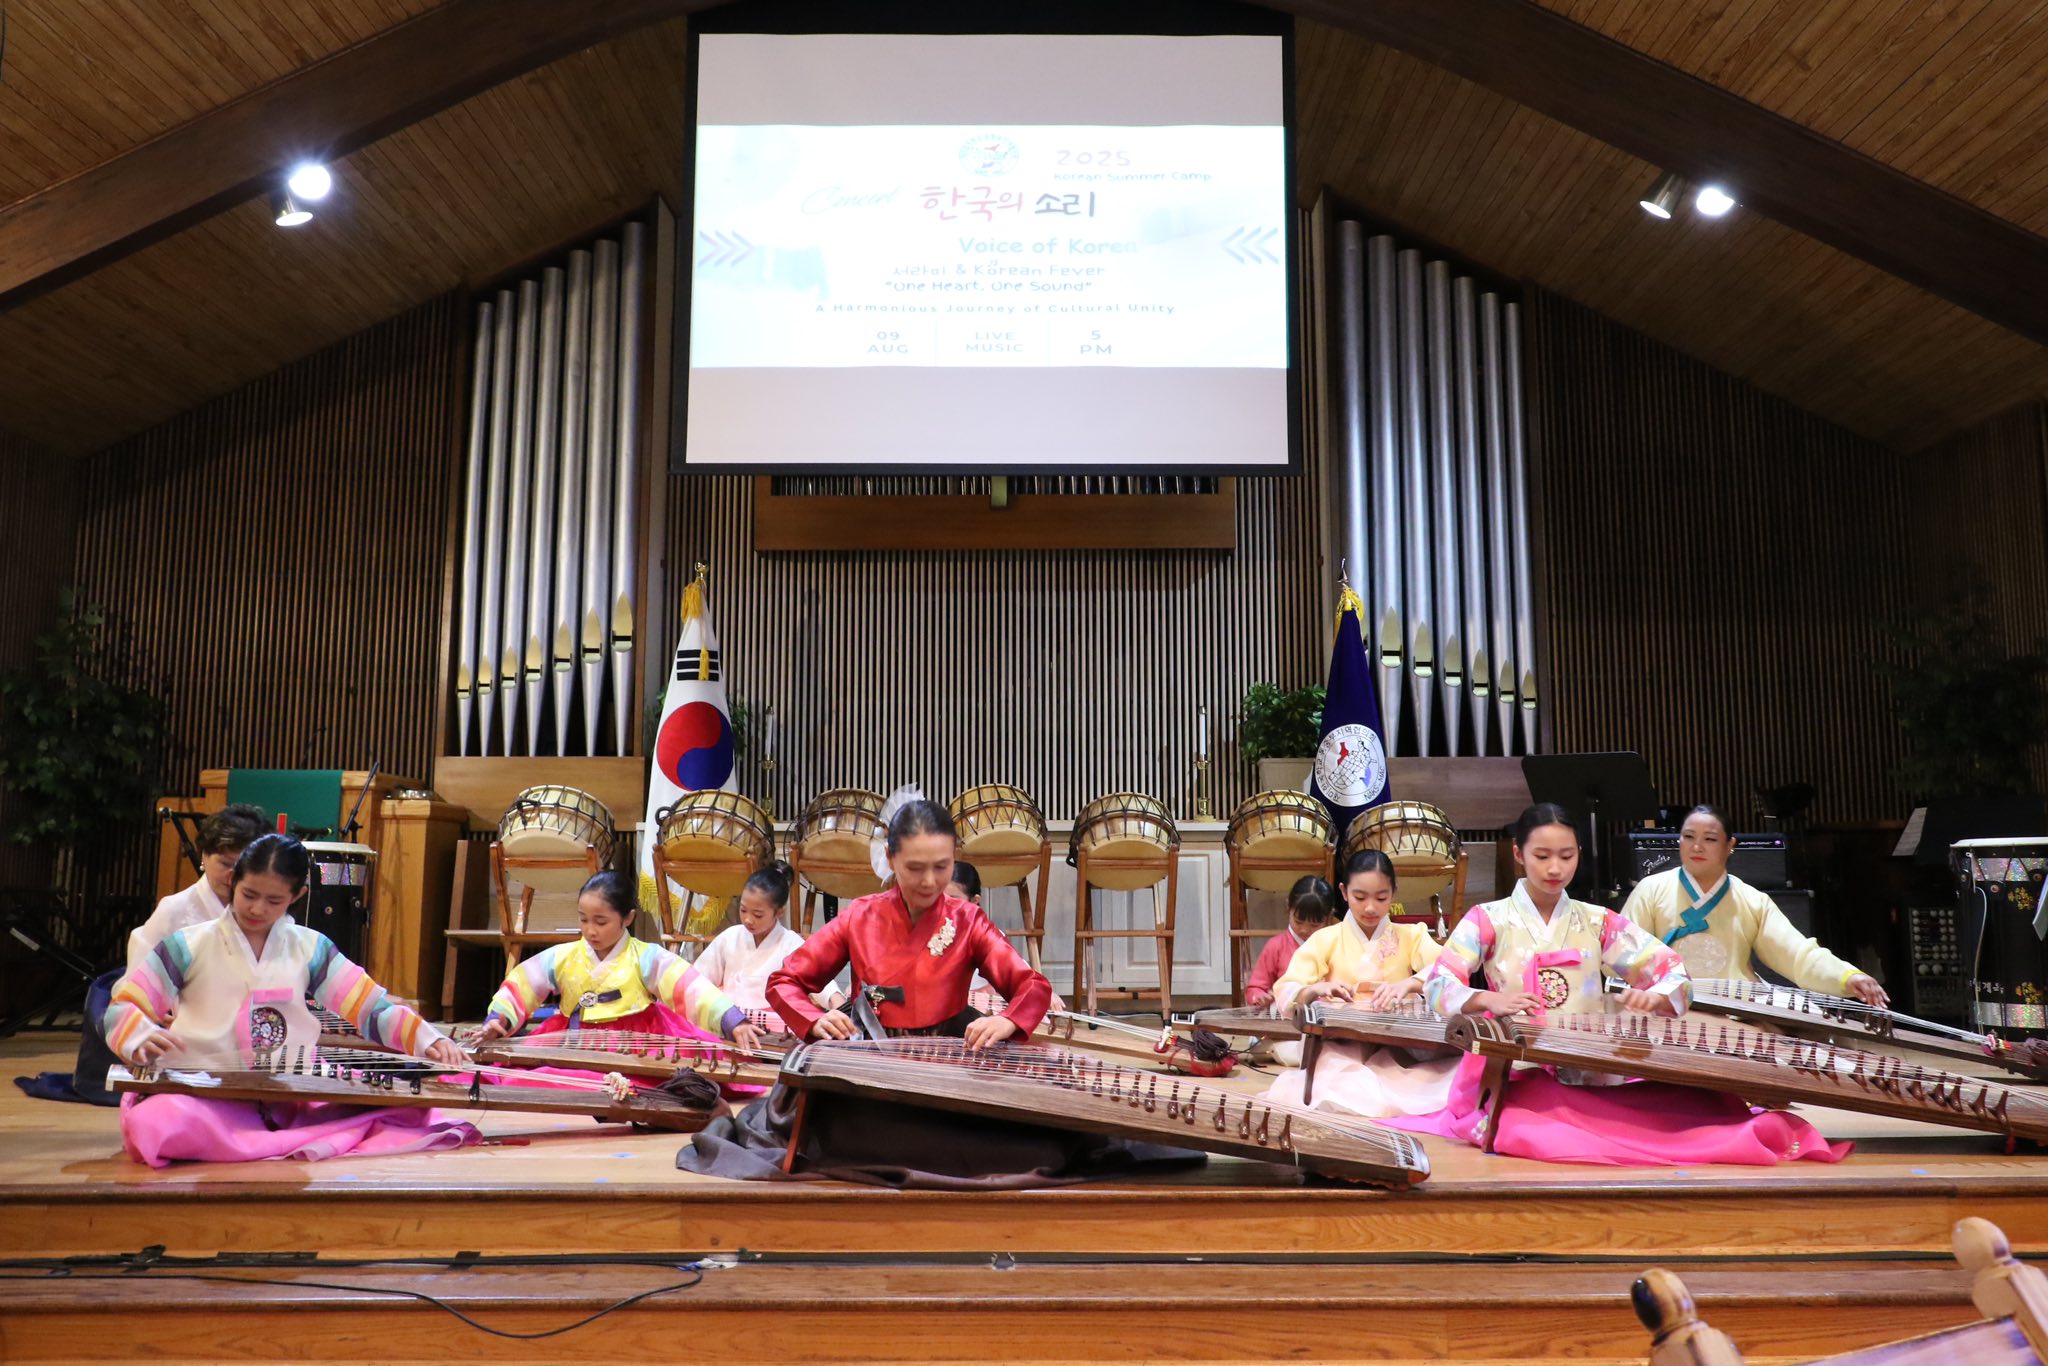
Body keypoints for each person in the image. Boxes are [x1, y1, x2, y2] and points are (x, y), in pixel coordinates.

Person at [1395, 805, 1847, 1166]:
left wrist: (1654, 995)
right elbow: (1439, 983)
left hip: (1590, 1064)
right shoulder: (1488, 919)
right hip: (1516, 1068)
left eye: (1567, 856)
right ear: (1518, 853)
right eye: (1542, 856)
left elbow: (1673, 972)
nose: (1555, 868)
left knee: (1681, 1120)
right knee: (1537, 1133)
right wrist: (1488, 998)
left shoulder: (1597, 921)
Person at [103, 834, 476, 1166]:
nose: (258, 909)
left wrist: (427, 1039)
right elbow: (125, 1005)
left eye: (274, 900)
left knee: (405, 1104)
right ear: (233, 882)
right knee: (156, 1123)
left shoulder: (310, 948)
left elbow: (369, 1008)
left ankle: (257, 1139)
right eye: (249, 894)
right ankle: (270, 1139)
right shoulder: (188, 944)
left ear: (297, 896)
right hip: (204, 1091)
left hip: (289, 1093)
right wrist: (138, 1034)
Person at [17, 805, 272, 1108]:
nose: (233, 875)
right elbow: (137, 980)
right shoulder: (176, 909)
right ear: (203, 857)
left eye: (244, 866)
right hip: (182, 1023)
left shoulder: (263, 910)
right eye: (226, 863)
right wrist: (161, 1009)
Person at [767, 800, 1052, 1048]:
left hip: (948, 1053)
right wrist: (814, 1019)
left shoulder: (968, 921)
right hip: (871, 1054)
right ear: (890, 859)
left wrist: (1007, 1020)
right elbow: (785, 981)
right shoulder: (860, 916)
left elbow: (1032, 985)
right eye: (915, 868)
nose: (929, 881)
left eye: (941, 867)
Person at [1622, 805, 1886, 1005]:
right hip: (1665, 1004)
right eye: (1689, 836)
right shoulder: (1651, 889)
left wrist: (1846, 977)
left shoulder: (1752, 900)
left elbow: (1796, 955)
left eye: (1710, 839)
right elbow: (1621, 950)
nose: (1697, 847)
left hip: (1737, 1008)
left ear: (1730, 846)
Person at [475, 871, 766, 1052]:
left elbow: (690, 988)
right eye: (584, 920)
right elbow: (522, 984)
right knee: (526, 1078)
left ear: (627, 918)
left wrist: (732, 1021)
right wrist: (497, 1020)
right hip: (572, 1041)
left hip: (637, 1043)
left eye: (601, 921)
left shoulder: (645, 957)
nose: (590, 930)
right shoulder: (563, 956)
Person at [1261, 852, 1455, 1118]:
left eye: (1381, 898)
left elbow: (1448, 968)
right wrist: (1314, 990)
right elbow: (1286, 988)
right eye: (1360, 897)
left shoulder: (1411, 935)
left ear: (1394, 892)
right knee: (1347, 1085)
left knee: (1456, 1072)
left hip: (1398, 1044)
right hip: (1342, 1045)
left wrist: (1412, 983)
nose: (1370, 908)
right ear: (1344, 892)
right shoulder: (1326, 939)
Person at [691, 861, 824, 1028]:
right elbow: (697, 979)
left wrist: (837, 1002)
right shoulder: (730, 936)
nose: (748, 919)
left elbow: (820, 982)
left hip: (773, 1026)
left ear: (780, 911)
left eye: (758, 915)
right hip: (730, 1022)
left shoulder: (791, 943)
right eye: (743, 910)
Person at [1245, 875, 1339, 1010]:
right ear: (1288, 906)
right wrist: (1259, 997)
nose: (1304, 929)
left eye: (1314, 925)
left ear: (1329, 916)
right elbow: (1255, 988)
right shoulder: (1276, 946)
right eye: (1298, 922)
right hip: (1286, 1018)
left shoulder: (1336, 945)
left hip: (1329, 1016)